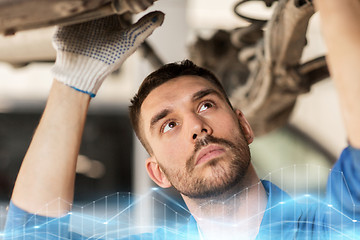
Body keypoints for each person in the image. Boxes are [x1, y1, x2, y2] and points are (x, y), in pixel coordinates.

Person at [3, 0, 360, 239]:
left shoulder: (328, 226)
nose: (196, 127)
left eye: (205, 105)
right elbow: (32, 231)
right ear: (157, 172)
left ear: (244, 126)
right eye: (169, 125)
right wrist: (73, 82)